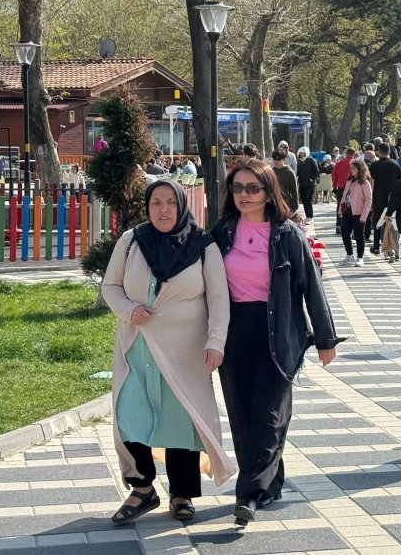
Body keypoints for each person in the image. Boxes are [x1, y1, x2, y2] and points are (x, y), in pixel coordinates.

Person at [211, 160, 342, 524]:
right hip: (234, 332)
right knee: (242, 413)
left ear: (269, 191)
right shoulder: (222, 231)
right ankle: (270, 482)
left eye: (253, 188)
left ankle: (248, 494)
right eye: (237, 188)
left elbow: (312, 288)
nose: (244, 195)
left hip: (278, 330)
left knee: (268, 414)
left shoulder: (287, 234)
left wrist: (325, 338)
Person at [102, 180, 235, 523]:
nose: (163, 210)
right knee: (129, 416)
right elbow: (111, 286)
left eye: (170, 203)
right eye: (156, 203)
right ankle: (143, 488)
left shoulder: (203, 246)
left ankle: (181, 494)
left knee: (180, 422)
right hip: (137, 349)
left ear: (181, 205)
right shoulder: (132, 241)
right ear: (147, 207)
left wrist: (215, 342)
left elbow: (219, 299)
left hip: (185, 353)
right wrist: (128, 309)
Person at [367, 143, 401, 254]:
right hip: (392, 197)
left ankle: (376, 246)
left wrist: (370, 197)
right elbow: (399, 182)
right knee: (392, 221)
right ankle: (391, 246)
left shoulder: (374, 165)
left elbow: (371, 182)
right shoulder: (395, 165)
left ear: (378, 151)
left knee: (377, 221)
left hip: (378, 196)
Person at [271, 149, 300, 219]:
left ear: (283, 160)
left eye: (279, 160)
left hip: (286, 205)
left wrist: (293, 209)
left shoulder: (289, 173)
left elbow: (294, 193)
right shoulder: (271, 172)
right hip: (273, 206)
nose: (276, 162)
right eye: (275, 160)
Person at [332, 148, 355, 233]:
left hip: (341, 186)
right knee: (353, 205)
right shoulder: (356, 163)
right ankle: (351, 225)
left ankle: (339, 223)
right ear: (353, 154)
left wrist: (334, 187)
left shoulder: (339, 163)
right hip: (353, 187)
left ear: (346, 153)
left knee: (340, 205)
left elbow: (334, 176)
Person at [295, 146, 320, 220]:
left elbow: (316, 171)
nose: (302, 154)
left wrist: (311, 179)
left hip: (310, 185)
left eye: (303, 153)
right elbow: (297, 172)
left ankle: (310, 217)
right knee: (303, 200)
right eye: (301, 153)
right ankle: (307, 216)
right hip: (302, 184)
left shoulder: (311, 160)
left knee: (308, 200)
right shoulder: (298, 161)